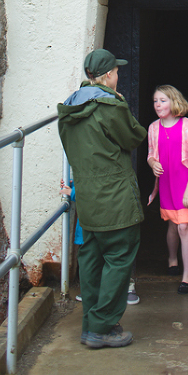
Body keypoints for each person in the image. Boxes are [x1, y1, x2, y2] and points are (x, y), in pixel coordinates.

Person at [58, 49, 146, 349]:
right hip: (116, 199)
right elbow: (134, 137)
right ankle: (102, 327)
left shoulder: (69, 109)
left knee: (92, 261)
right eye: (116, 72)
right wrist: (121, 104)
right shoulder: (109, 105)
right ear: (108, 75)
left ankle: (89, 326)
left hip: (87, 199)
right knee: (119, 260)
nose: (118, 76)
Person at [147, 85, 188, 294]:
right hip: (166, 183)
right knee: (172, 224)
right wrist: (153, 164)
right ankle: (172, 259)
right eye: (155, 101)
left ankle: (187, 275)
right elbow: (150, 155)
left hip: (186, 183)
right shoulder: (153, 127)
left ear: (174, 101)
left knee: (184, 227)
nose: (158, 105)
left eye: (163, 100)